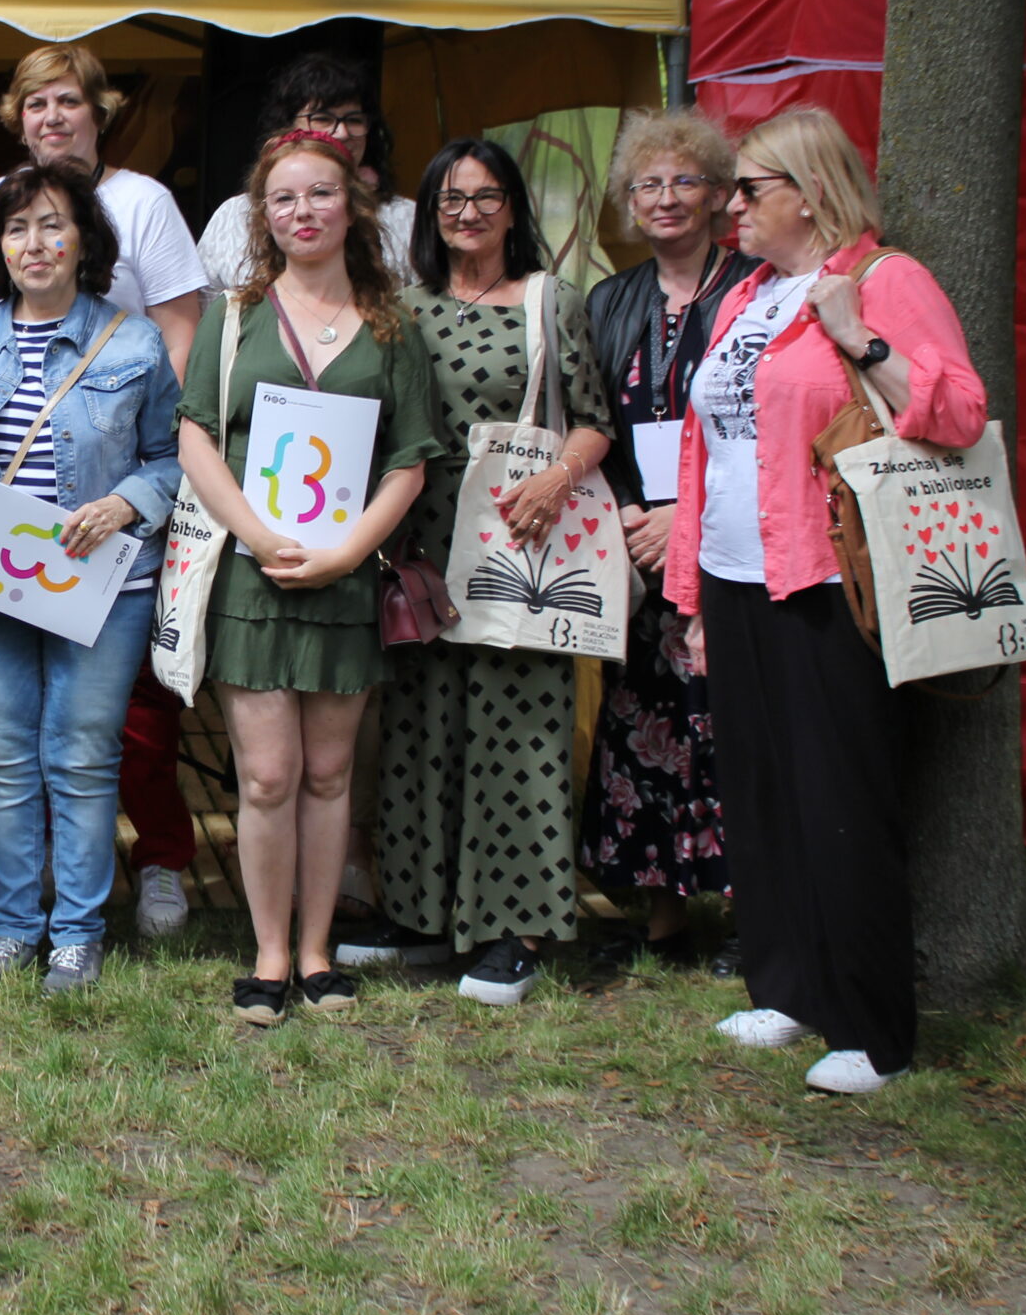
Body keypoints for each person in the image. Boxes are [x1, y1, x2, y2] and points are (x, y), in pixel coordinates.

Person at [669, 107, 986, 1095]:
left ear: (807, 193)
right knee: (761, 791)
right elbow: (702, 451)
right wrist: (687, 592)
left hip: (823, 580)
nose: (729, 208)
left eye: (748, 189)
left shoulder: (885, 281)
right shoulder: (743, 298)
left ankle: (872, 1025)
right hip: (732, 578)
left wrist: (861, 339)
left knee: (840, 796)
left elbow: (960, 412)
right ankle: (789, 984)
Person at [0, 161, 183, 994]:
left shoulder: (132, 340)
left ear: (84, 238)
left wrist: (125, 503)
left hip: (104, 586)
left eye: (53, 224)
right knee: (9, 759)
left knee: (82, 756)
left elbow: (169, 458)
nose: (35, 242)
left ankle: (76, 935)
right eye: (17, 228)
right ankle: (17, 927)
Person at [174, 132, 445, 1026]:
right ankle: (268, 951)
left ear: (351, 207)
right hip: (253, 575)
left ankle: (319, 950)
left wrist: (345, 553)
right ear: (265, 216)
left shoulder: (390, 321)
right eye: (284, 199)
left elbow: (409, 459)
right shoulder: (236, 314)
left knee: (330, 773)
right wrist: (255, 533)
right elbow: (196, 436)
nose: (302, 212)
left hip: (344, 575)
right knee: (266, 776)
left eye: (319, 195)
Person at [0, 42, 208, 940]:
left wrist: (129, 473)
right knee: (17, 740)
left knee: (116, 725)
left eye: (68, 102)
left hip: (114, 504)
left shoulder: (141, 203)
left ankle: (153, 869)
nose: (52, 118)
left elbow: (179, 336)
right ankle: (31, 913)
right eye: (36, 105)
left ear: (99, 112)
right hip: (11, 537)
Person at [371, 138, 612, 1007]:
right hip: (421, 550)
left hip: (519, 541)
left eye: (484, 196)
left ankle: (512, 927)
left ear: (513, 205)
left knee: (516, 733)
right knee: (421, 733)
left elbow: (594, 418)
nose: (466, 212)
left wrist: (558, 477)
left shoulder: (552, 303)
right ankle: (422, 916)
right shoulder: (404, 308)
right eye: (449, 198)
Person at [579, 111, 753, 976]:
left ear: (721, 193)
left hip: (730, 541)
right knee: (641, 722)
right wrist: (621, 513)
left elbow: (767, 431)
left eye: (684, 180)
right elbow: (593, 423)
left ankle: (760, 922)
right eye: (648, 184)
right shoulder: (613, 299)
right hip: (636, 550)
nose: (665, 198)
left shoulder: (757, 293)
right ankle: (662, 921)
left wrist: (686, 514)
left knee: (734, 728)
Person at [196, 52, 415, 291]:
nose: (342, 132)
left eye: (354, 119)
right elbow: (204, 308)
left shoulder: (404, 217)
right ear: (288, 126)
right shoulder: (235, 215)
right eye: (322, 118)